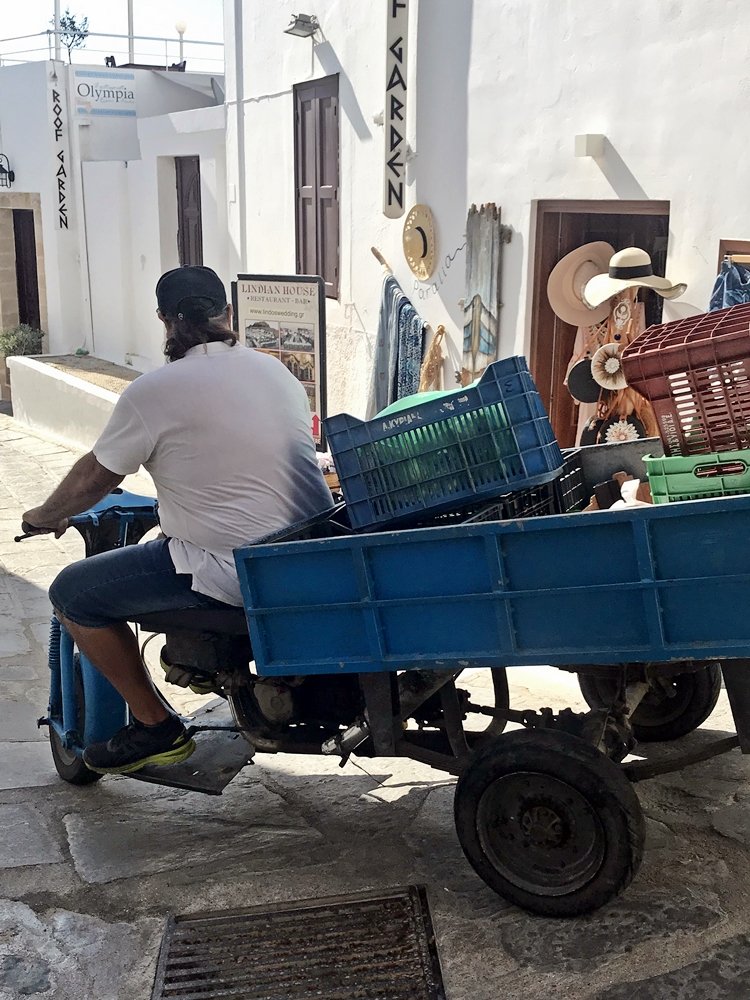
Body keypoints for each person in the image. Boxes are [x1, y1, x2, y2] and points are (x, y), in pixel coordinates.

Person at [21, 265, 333, 775]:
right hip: (304, 554)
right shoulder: (276, 371)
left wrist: (43, 515)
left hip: (230, 568)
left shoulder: (153, 391)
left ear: (164, 321)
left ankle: (156, 728)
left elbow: (95, 477)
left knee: (72, 594)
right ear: (227, 314)